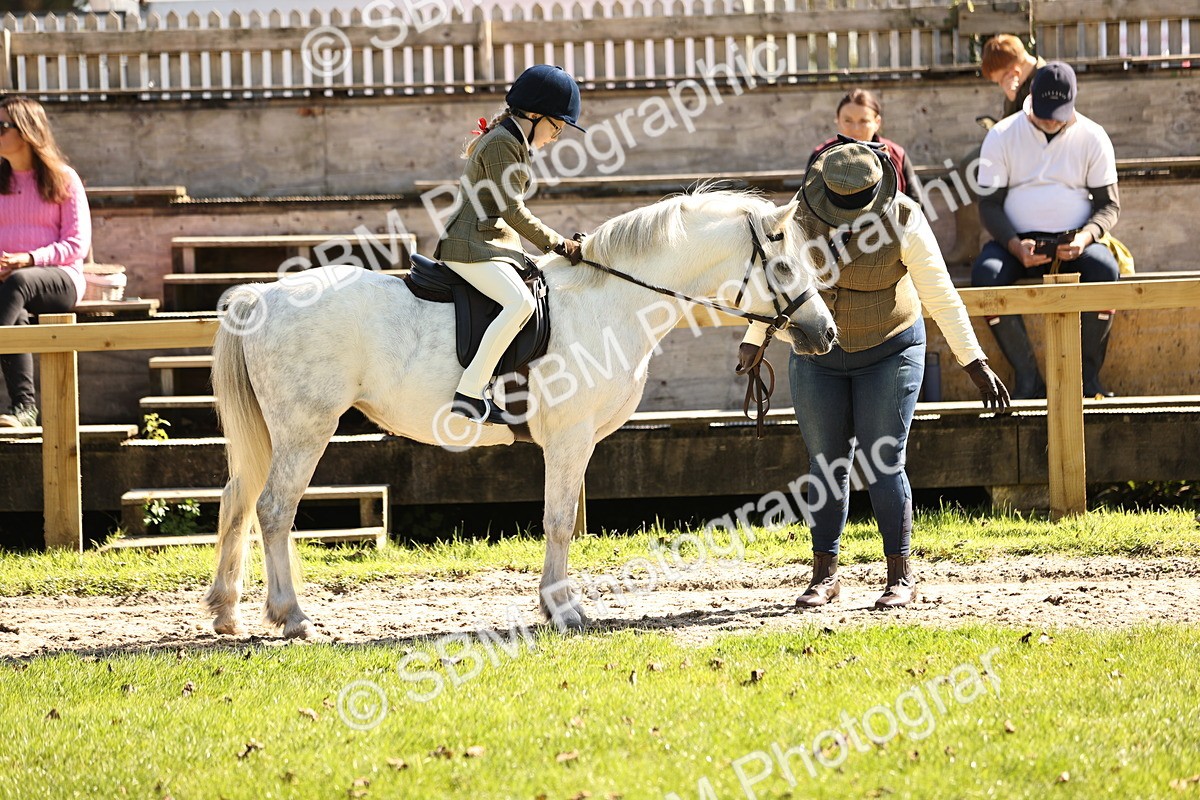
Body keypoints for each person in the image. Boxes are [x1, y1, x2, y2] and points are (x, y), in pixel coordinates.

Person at [739, 137, 1010, 610]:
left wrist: (974, 361)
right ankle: (825, 575)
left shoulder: (905, 218)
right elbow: (776, 285)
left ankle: (900, 575)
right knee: (825, 465)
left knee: (885, 461)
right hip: (816, 356)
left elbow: (941, 294)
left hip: (890, 350)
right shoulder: (795, 218)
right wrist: (754, 339)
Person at [434, 65, 585, 425]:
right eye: (557, 127)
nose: (556, 136)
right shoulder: (503, 142)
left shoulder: (512, 139)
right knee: (519, 303)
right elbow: (511, 210)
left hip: (487, 241)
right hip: (470, 244)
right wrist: (558, 245)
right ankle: (470, 393)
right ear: (534, 115)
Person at [971, 62, 1120, 399]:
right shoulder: (1002, 134)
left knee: (1107, 271)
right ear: (1030, 99)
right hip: (1017, 240)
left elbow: (1108, 205)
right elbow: (989, 205)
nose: (1051, 120)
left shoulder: (1094, 136)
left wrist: (1084, 238)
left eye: (1059, 113)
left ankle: (1087, 380)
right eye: (1044, 113)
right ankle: (1028, 379)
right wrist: (1013, 245)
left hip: (1075, 238)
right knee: (985, 276)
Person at [0, 96, 91, 429]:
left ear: (25, 131)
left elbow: (77, 244)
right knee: (16, 311)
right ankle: (25, 410)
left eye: (2, 126)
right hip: (10, 286)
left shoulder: (63, 178)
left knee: (18, 284)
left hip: (60, 278)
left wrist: (29, 259)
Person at [810, 88, 922, 207]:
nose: (856, 128)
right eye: (848, 121)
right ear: (837, 120)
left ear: (877, 122)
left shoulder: (897, 155)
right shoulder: (821, 155)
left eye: (864, 121)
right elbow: (808, 201)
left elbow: (917, 201)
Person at [981, 34, 1044, 120]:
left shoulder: (1047, 81)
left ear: (1015, 71)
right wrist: (1011, 99)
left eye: (1001, 80)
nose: (1001, 85)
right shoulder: (1017, 85)